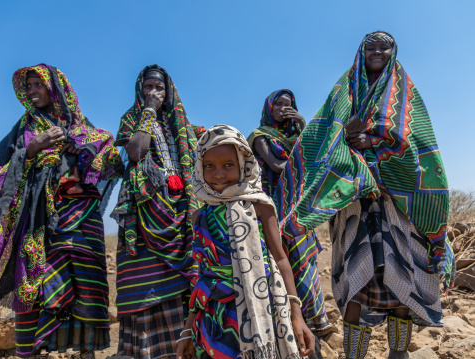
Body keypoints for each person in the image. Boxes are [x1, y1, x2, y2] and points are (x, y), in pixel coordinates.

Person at [275, 32, 455, 359]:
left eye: (382, 46)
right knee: (355, 281)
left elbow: (414, 144)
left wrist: (373, 144)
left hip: (396, 203)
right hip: (354, 204)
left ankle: (398, 353)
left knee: (400, 275)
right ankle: (353, 355)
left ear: (393, 51)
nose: (376, 51)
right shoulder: (345, 91)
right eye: (370, 47)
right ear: (361, 52)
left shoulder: (404, 95)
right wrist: (348, 146)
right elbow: (327, 134)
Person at [0, 64, 124, 358]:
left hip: (82, 221)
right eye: (27, 87)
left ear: (55, 87)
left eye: (37, 85)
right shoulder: (25, 128)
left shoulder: (80, 125)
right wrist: (32, 150)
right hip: (38, 222)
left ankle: (85, 351)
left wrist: (84, 147)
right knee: (35, 283)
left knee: (87, 286)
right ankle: (34, 351)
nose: (31, 92)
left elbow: (110, 163)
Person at [176, 125, 315, 359]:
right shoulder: (198, 216)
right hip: (213, 315)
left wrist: (296, 313)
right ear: (200, 168)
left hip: (260, 309)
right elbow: (202, 276)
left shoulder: (260, 206)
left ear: (244, 165)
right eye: (209, 166)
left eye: (228, 165)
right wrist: (188, 328)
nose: (218, 173)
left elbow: (280, 259)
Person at [111, 65, 200, 359]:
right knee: (147, 283)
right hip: (146, 210)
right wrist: (148, 112)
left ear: (169, 91)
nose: (153, 92)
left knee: (189, 282)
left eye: (159, 88)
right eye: (148, 87)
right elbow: (136, 152)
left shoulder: (182, 125)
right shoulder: (132, 119)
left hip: (182, 209)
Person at [248, 90, 328, 333]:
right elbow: (277, 165)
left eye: (288, 104)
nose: (283, 108)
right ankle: (283, 323)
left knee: (304, 260)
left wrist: (302, 124)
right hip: (273, 208)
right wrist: (303, 164)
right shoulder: (260, 136)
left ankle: (315, 321)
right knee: (279, 259)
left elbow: (313, 154)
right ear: (269, 108)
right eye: (278, 104)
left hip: (296, 207)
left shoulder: (296, 136)